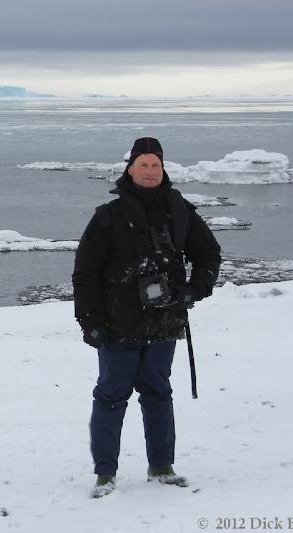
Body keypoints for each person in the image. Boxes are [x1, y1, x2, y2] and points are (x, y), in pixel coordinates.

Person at [72, 137, 221, 498]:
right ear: (130, 169)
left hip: (164, 322)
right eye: (143, 165)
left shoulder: (180, 210)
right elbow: (85, 273)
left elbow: (208, 253)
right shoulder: (107, 216)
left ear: (163, 168)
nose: (150, 171)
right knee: (111, 396)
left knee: (157, 393)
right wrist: (89, 321)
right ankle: (105, 474)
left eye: (155, 165)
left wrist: (193, 290)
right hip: (116, 325)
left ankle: (161, 466)